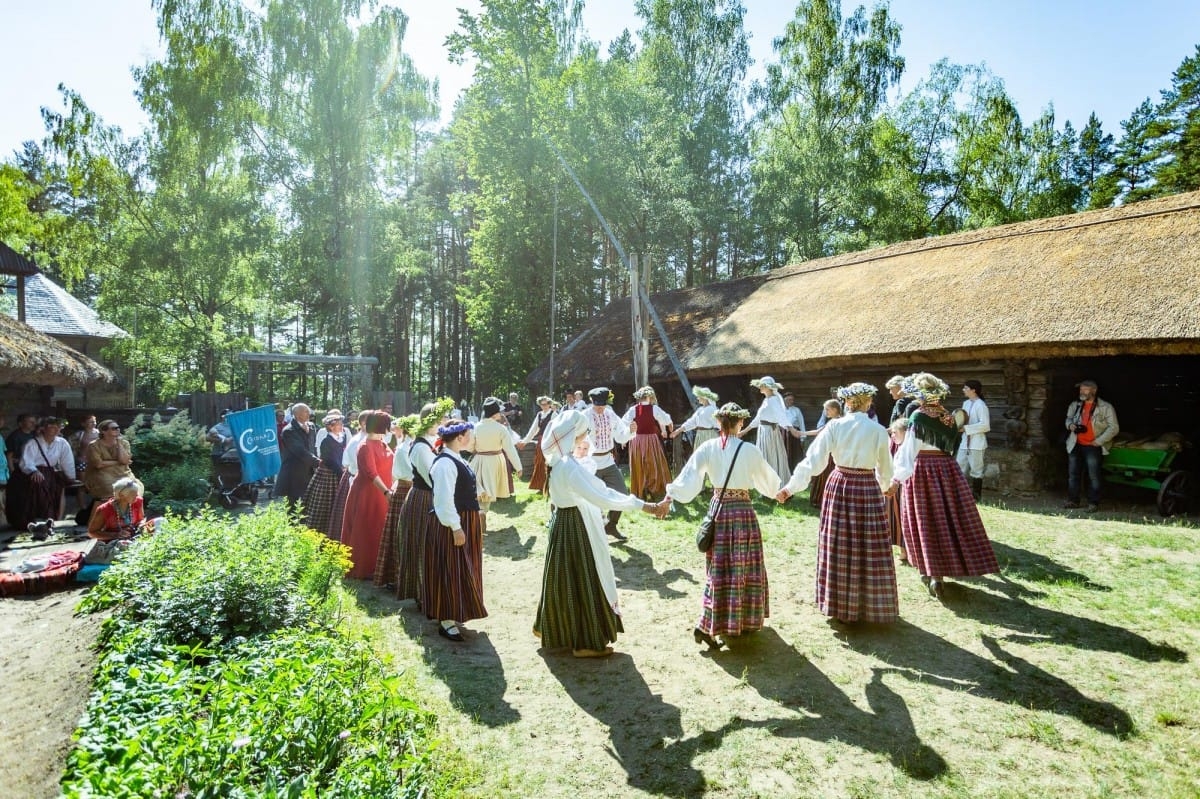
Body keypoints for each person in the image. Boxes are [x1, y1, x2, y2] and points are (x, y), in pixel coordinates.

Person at [535, 410, 664, 657]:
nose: (587, 434)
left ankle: (558, 632)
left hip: (563, 523)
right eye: (584, 430)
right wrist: (643, 505)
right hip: (576, 525)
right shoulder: (570, 467)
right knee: (584, 577)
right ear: (575, 434)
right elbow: (603, 494)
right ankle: (584, 642)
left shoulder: (558, 462)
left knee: (564, 578)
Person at [660, 402, 782, 649]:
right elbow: (769, 483)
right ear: (740, 423)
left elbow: (688, 477)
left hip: (718, 511)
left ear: (718, 423)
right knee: (744, 565)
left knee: (719, 569)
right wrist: (779, 492)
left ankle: (721, 622)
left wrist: (670, 495)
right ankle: (727, 622)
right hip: (743, 513)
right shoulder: (749, 450)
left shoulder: (708, 447)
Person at [778, 383, 898, 625]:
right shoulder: (877, 430)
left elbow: (812, 462)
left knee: (839, 543)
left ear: (847, 403)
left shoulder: (835, 426)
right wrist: (886, 487)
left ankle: (839, 602)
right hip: (867, 487)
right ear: (866, 403)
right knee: (868, 544)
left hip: (840, 485)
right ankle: (871, 605)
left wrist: (790, 487)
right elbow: (885, 467)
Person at [892, 372, 999, 600]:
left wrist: (895, 477)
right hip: (947, 469)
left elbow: (909, 450)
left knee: (924, 520)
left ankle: (932, 572)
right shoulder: (949, 417)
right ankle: (942, 569)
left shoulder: (919, 417)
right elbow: (952, 444)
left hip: (923, 470)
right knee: (947, 520)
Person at [426, 420, 488, 642]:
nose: (471, 438)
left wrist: (477, 493)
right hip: (452, 523)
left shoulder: (456, 458)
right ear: (460, 437)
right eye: (469, 434)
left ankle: (457, 610)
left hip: (464, 519)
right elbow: (443, 500)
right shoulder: (445, 464)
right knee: (450, 568)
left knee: (462, 566)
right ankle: (446, 619)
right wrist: (455, 527)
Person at [398, 399, 454, 606]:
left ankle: (429, 592)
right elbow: (433, 478)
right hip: (423, 499)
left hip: (429, 497)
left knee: (429, 547)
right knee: (423, 546)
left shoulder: (429, 442)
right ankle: (423, 594)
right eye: (441, 420)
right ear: (432, 421)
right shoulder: (421, 447)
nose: (444, 423)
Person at [340, 410, 394, 580]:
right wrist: (386, 491)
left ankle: (379, 567)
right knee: (366, 529)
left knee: (379, 528)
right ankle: (363, 568)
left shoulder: (382, 443)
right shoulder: (365, 446)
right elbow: (371, 473)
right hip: (368, 494)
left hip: (384, 491)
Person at [585, 387, 634, 541]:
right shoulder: (584, 416)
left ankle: (611, 525)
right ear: (591, 402)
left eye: (602, 405)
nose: (600, 408)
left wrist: (630, 431)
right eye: (597, 405)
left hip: (607, 460)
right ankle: (593, 532)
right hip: (590, 462)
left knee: (622, 493)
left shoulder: (610, 413)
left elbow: (620, 436)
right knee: (592, 499)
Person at [1064, 379, 1119, 513]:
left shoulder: (1106, 407)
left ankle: (1093, 503)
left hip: (1093, 445)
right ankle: (1073, 501)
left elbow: (1114, 427)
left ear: (1094, 391)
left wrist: (1099, 441)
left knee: (1093, 476)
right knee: (1073, 475)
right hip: (1075, 443)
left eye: (1085, 389)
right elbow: (1068, 419)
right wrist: (1070, 425)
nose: (1082, 391)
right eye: (1081, 389)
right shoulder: (1075, 405)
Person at [375, 415, 415, 591]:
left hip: (407, 489)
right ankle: (395, 577)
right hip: (405, 490)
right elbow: (409, 474)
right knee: (399, 534)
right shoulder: (403, 449)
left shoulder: (409, 446)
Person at [471, 396, 523, 516]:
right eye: (499, 412)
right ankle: (481, 514)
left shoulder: (476, 427)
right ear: (494, 414)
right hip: (495, 461)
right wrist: (518, 467)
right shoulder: (501, 429)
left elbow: (470, 446)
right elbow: (510, 449)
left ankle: (480, 513)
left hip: (479, 460)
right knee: (487, 490)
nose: (501, 414)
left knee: (480, 488)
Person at [20, 417, 76, 525]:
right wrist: (33, 471)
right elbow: (26, 462)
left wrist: (71, 477)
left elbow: (67, 461)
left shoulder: (62, 443)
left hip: (50, 472)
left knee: (59, 488)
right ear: (43, 429)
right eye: (52, 427)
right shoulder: (32, 443)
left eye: (58, 427)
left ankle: (56, 520)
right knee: (39, 486)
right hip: (33, 472)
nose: (56, 430)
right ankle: (36, 520)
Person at [622, 386, 673, 501]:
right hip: (651, 440)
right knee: (653, 464)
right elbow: (665, 418)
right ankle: (653, 489)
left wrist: (624, 438)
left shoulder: (633, 409)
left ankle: (641, 488)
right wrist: (669, 424)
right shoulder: (654, 409)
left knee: (639, 465)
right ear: (649, 397)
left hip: (636, 440)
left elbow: (623, 423)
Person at [302, 409, 348, 537]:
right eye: (338, 424)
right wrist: (341, 473)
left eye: (341, 424)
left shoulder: (341, 438)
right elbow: (330, 460)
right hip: (328, 475)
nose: (341, 426)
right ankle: (321, 529)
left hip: (339, 471)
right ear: (331, 426)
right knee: (325, 503)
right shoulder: (327, 441)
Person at [83, 420, 139, 522]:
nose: (117, 430)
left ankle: (128, 521)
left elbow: (125, 460)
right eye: (114, 428)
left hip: (123, 473)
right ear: (103, 431)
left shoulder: (124, 443)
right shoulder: (94, 445)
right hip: (100, 474)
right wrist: (118, 462)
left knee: (133, 487)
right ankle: (95, 524)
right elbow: (98, 464)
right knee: (110, 488)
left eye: (118, 427)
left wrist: (119, 444)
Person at [741, 376, 794, 482]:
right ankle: (766, 484)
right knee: (764, 457)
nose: (759, 387)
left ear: (768, 387)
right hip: (763, 431)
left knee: (770, 458)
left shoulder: (773, 400)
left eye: (762, 385)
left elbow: (781, 417)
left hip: (770, 432)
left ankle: (773, 485)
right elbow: (757, 420)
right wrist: (743, 431)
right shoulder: (767, 400)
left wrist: (791, 429)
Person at [275, 402, 320, 513]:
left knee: (308, 506)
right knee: (294, 508)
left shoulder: (311, 426)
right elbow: (300, 451)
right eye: (306, 411)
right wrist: (319, 462)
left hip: (309, 472)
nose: (309, 413)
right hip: (294, 475)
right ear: (297, 414)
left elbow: (312, 448)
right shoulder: (288, 431)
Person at [87, 476, 157, 541]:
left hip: (135, 537)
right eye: (133, 494)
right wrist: (115, 535)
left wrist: (141, 524)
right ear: (122, 495)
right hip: (113, 542)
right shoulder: (104, 509)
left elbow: (140, 520)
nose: (137, 496)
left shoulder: (138, 501)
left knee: (159, 522)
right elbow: (92, 533)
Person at [956, 380, 991, 501]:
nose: (963, 390)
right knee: (959, 466)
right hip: (964, 442)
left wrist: (966, 428)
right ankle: (960, 495)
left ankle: (976, 496)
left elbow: (985, 425)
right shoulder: (965, 403)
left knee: (976, 470)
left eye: (966, 388)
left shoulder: (981, 405)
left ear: (973, 390)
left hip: (977, 443)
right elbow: (962, 418)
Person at [807, 399, 844, 509]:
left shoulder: (838, 421)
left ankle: (824, 501)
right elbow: (820, 431)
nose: (825, 412)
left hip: (833, 453)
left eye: (827, 409)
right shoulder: (832, 421)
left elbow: (821, 432)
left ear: (835, 409)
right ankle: (822, 500)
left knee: (826, 474)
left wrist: (800, 433)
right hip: (829, 452)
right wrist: (801, 433)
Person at [5, 414, 38, 529]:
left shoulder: (34, 436)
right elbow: (9, 456)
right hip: (18, 470)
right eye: (30, 422)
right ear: (21, 423)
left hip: (31, 469)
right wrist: (12, 472)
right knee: (19, 497)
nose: (33, 424)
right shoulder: (15, 437)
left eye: (34, 422)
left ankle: (29, 519)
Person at [518, 395, 557, 493]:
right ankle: (540, 486)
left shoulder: (554, 414)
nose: (544, 406)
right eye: (542, 404)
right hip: (541, 441)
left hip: (550, 442)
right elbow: (533, 430)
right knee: (539, 462)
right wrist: (525, 441)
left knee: (549, 463)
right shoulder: (539, 414)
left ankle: (551, 487)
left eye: (546, 404)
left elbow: (557, 430)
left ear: (549, 404)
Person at [671, 387, 720, 452]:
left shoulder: (712, 409)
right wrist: (678, 431)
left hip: (709, 436)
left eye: (699, 396)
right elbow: (692, 422)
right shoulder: (700, 409)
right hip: (699, 435)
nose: (698, 398)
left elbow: (719, 423)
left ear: (704, 397)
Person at [69, 415, 100, 512]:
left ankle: (97, 507)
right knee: (82, 485)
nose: (93, 423)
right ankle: (82, 508)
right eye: (90, 421)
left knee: (99, 483)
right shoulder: (79, 435)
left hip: (97, 462)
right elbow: (70, 445)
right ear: (83, 423)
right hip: (83, 462)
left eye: (94, 421)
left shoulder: (100, 434)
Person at [782, 391, 808, 469]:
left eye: (792, 400)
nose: (791, 401)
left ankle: (795, 471)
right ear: (784, 400)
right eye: (789, 400)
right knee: (785, 453)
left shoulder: (796, 410)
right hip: (783, 434)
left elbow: (801, 423)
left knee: (796, 454)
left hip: (794, 435)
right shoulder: (780, 410)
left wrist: (803, 438)